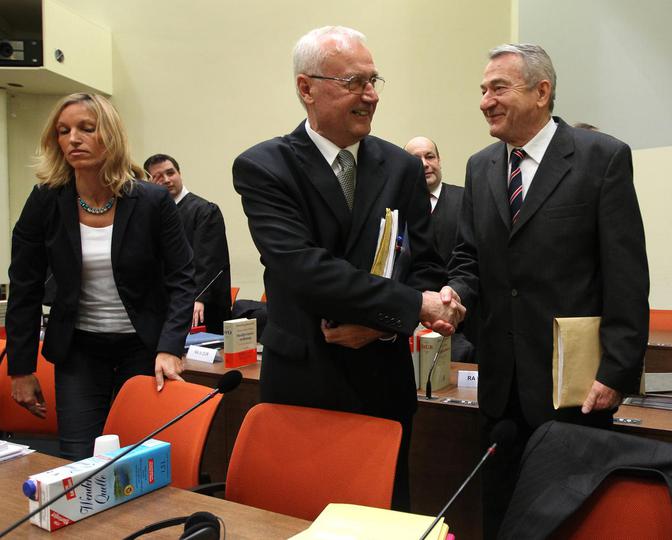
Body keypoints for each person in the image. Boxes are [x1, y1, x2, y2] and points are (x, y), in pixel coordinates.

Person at [232, 26, 462, 510]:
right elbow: (304, 269)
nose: (371, 95)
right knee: (295, 514)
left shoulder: (400, 167)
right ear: (306, 88)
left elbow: (424, 265)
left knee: (382, 514)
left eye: (373, 81)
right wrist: (410, 306)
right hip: (304, 380)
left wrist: (380, 327)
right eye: (354, 82)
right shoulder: (265, 167)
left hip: (381, 381)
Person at [444, 43, 649, 538]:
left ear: (541, 92)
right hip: (500, 388)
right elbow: (469, 256)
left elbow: (625, 274)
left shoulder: (602, 158)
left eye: (498, 88)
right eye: (482, 90)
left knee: (569, 521)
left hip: (573, 389)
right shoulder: (479, 166)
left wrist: (616, 371)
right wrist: (455, 293)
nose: (485, 101)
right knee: (500, 516)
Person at [7, 93, 194, 460]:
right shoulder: (45, 200)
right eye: (64, 131)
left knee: (139, 457)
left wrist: (171, 347)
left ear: (110, 135)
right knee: (79, 457)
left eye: (86, 129)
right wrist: (21, 369)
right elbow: (25, 286)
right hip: (79, 348)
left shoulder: (151, 201)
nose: (73, 139)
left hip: (142, 346)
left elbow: (182, 277)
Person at [403, 136, 474, 362]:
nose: (424, 164)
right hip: (408, 324)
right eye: (416, 159)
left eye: (430, 156)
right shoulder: (396, 206)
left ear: (439, 161)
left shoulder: (466, 200)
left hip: (461, 325)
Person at [144, 153, 232, 334]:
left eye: (171, 173)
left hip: (200, 305)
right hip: (166, 304)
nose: (167, 180)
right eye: (158, 177)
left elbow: (210, 260)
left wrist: (199, 297)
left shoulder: (204, 211)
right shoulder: (151, 215)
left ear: (180, 173)